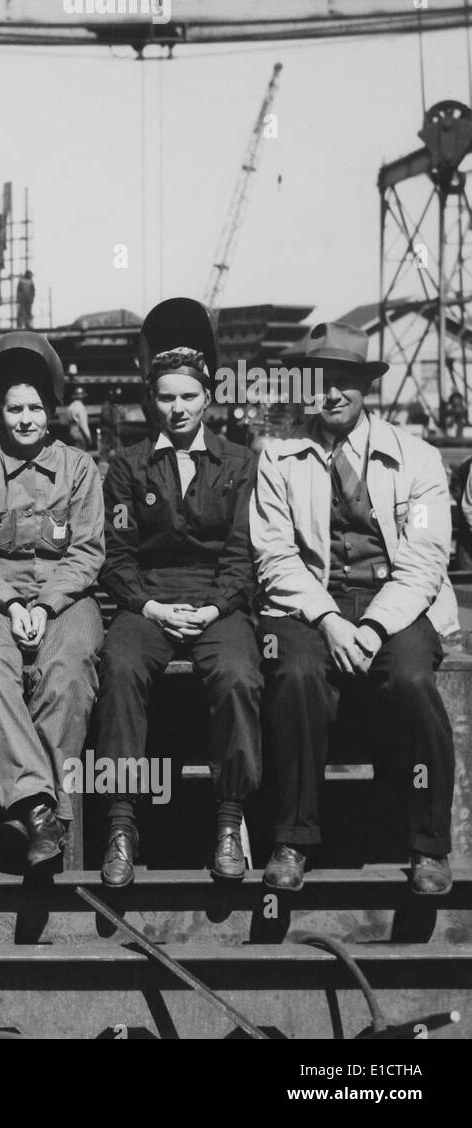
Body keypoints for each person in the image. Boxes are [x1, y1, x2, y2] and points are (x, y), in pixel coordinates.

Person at [251, 321, 458, 896]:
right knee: (294, 676)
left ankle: (428, 848)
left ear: (367, 387)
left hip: (396, 602)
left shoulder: (417, 460)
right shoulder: (279, 459)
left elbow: (424, 560)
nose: (331, 393)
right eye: (320, 381)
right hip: (309, 603)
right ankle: (292, 841)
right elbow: (275, 556)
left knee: (413, 680)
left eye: (345, 381)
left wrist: (369, 626)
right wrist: (329, 620)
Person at [96, 297, 262, 887]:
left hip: (221, 602)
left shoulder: (241, 464)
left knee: (239, 674)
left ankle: (228, 818)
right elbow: (116, 559)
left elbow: (244, 555)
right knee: (118, 666)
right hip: (149, 599)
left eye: (189, 396)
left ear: (209, 396)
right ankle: (121, 822)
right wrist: (149, 607)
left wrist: (216, 608)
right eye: (166, 397)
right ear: (153, 400)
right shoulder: (127, 467)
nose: (178, 408)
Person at [0, 332, 105, 868]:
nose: (26, 419)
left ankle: (40, 816)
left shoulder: (79, 469)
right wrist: (14, 605)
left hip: (66, 596)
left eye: (35, 407)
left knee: (70, 667)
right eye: (14, 408)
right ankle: (42, 809)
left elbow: (86, 553)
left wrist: (45, 605)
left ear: (51, 411)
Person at [66, 386, 93, 450]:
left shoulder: (70, 406)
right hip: (79, 433)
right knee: (81, 455)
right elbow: (83, 424)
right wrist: (89, 437)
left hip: (72, 433)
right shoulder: (80, 407)